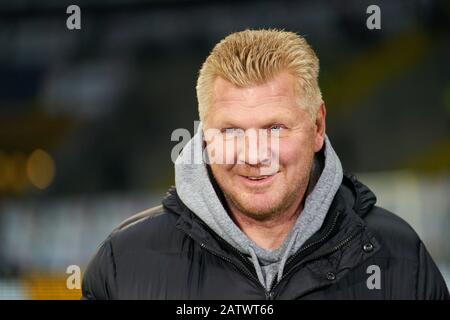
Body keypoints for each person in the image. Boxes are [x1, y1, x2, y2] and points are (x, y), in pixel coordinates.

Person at [82, 29, 449, 300]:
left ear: (317, 126)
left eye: (275, 128)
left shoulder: (400, 257)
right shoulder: (124, 264)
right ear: (204, 135)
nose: (254, 155)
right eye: (231, 131)